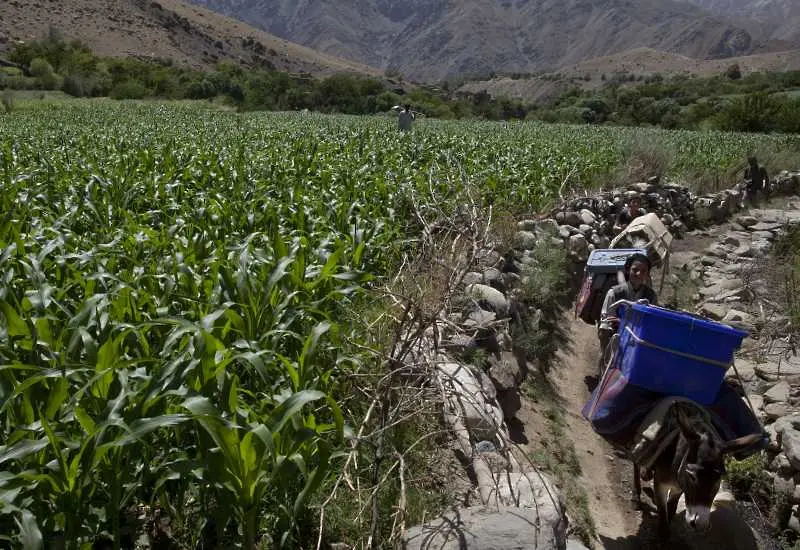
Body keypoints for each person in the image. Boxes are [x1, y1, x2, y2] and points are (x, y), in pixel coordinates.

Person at [597, 253, 658, 374]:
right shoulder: (614, 293)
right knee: (605, 330)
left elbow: (652, 321)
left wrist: (624, 322)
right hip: (616, 333)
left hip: (639, 336)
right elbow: (607, 319)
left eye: (643, 271)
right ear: (628, 270)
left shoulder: (651, 296)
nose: (638, 274)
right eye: (635, 270)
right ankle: (605, 367)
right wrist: (619, 325)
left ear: (647, 274)